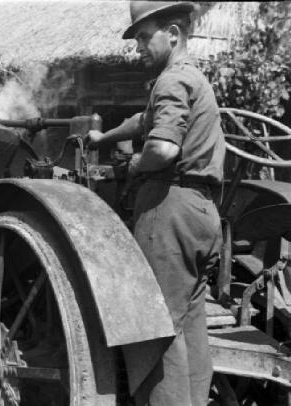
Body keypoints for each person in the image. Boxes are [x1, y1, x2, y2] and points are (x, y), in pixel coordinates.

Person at [86, 2, 225, 405]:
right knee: (188, 325)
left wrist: (133, 164)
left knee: (153, 329)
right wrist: (104, 137)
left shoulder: (169, 82)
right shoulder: (192, 79)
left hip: (168, 209)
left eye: (145, 37)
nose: (139, 48)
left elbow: (162, 148)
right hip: (201, 213)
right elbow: (144, 122)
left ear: (174, 34)